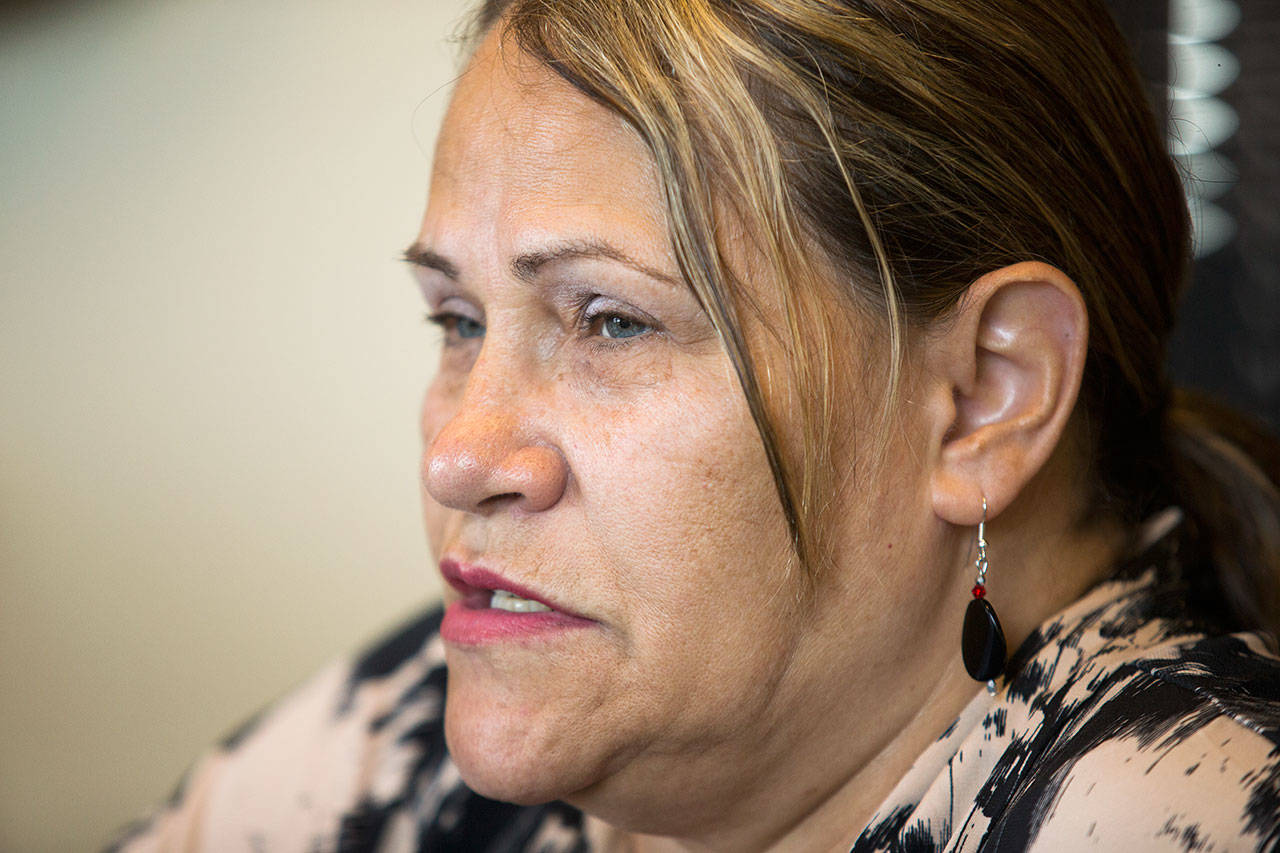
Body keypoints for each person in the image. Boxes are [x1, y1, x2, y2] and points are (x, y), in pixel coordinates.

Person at [108, 0, 1280, 850]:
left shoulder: (1171, 808)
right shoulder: (413, 713)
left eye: (609, 321)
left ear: (982, 396)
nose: (457, 453)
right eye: (458, 320)